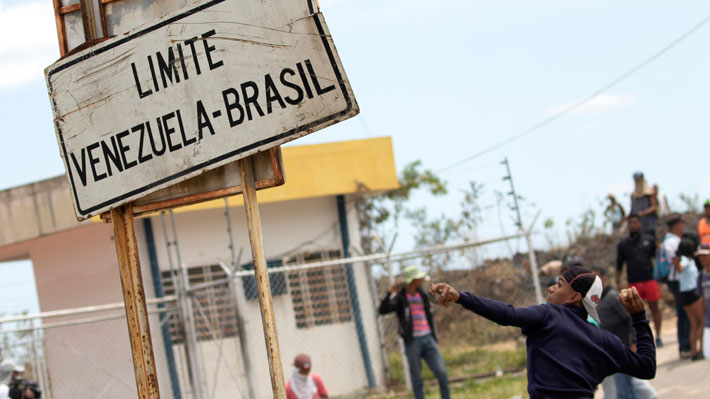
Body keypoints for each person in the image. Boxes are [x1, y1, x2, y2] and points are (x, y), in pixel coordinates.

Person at [430, 266, 656, 399]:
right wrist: (639, 317)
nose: (551, 288)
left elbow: (508, 314)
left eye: (559, 285)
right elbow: (647, 367)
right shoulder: (605, 340)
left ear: (575, 297)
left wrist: (462, 297)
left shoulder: (549, 315)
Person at [379, 265, 450, 399]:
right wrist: (390, 292)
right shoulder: (400, 298)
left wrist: (434, 337)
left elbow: (429, 317)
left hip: (428, 338)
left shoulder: (422, 295)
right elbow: (383, 310)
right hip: (412, 342)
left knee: (441, 372)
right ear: (412, 281)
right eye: (418, 278)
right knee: (417, 377)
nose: (422, 281)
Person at [593, 266, 657, 399]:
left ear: (604, 278)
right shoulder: (595, 301)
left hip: (622, 350)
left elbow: (630, 317)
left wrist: (633, 342)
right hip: (609, 355)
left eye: (596, 278)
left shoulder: (612, 297)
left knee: (625, 391)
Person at [616, 214, 663, 346]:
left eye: (635, 222)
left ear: (640, 224)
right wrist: (618, 282)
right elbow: (619, 265)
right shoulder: (623, 244)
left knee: (655, 308)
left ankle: (658, 336)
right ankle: (641, 339)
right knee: (635, 311)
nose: (632, 225)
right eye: (630, 223)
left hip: (649, 280)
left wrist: (660, 275)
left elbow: (658, 259)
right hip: (633, 283)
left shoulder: (649, 239)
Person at [661, 215, 692, 358]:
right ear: (676, 225)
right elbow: (675, 262)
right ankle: (685, 345)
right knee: (683, 312)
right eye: (681, 224)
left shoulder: (674, 240)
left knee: (687, 312)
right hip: (677, 280)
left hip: (681, 279)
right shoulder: (671, 243)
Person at [676, 238, 705, 360]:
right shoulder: (685, 259)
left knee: (694, 324)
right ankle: (701, 349)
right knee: (702, 322)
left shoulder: (687, 259)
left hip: (684, 294)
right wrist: (678, 263)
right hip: (692, 293)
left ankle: (694, 351)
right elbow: (681, 268)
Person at [629, 172, 658, 242]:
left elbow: (654, 207)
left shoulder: (649, 193)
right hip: (637, 227)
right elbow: (632, 209)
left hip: (649, 225)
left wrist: (642, 213)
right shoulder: (633, 195)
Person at [697, 243, 710, 360]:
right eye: (700, 256)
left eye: (705, 256)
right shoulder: (701, 276)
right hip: (708, 322)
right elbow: (702, 300)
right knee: (708, 355)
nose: (702, 259)